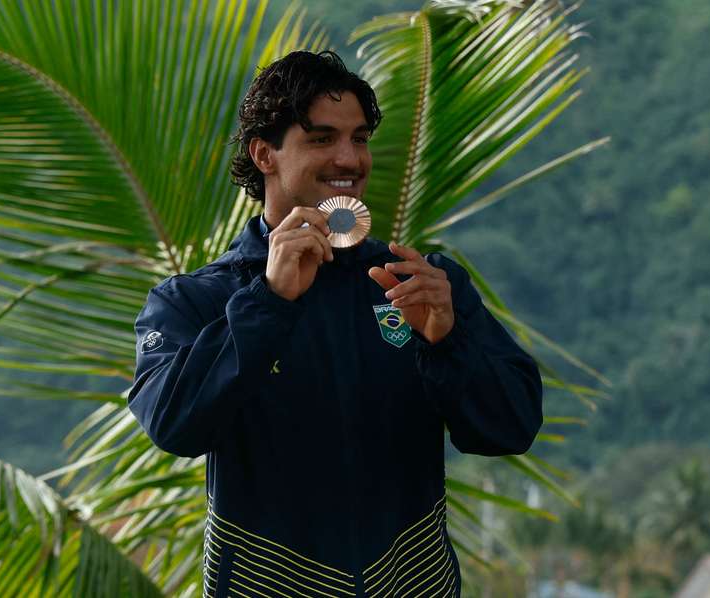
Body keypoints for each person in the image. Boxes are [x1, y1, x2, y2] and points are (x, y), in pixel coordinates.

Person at [128, 50, 542, 597]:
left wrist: (445, 341)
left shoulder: (422, 283)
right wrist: (270, 300)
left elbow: (511, 427)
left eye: (360, 138)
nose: (349, 158)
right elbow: (175, 426)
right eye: (321, 139)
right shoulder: (193, 300)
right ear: (264, 155)